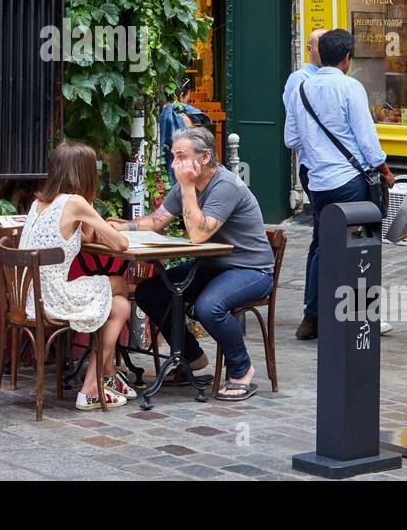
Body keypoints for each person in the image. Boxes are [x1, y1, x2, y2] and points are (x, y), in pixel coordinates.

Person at [112, 126, 274, 402]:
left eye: (181, 157)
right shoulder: (185, 186)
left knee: (210, 307)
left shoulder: (225, 186)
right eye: (174, 157)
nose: (175, 164)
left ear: (205, 158)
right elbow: (157, 221)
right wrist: (121, 228)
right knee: (149, 292)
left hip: (250, 269)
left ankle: (241, 369)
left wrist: (186, 186)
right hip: (210, 267)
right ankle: (192, 357)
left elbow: (198, 234)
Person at [289, 29, 394, 341]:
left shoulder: (302, 90)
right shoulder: (350, 88)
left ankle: (313, 315)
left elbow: (291, 139)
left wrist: (318, 152)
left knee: (321, 245)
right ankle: (361, 317)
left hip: (318, 183)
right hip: (351, 182)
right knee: (361, 247)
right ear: (347, 57)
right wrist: (386, 172)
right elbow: (368, 142)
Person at [19, 141, 136, 409]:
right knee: (119, 286)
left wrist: (92, 219)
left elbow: (83, 235)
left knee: (118, 304)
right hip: (53, 298)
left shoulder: (39, 203)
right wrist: (98, 216)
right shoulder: (75, 202)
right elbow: (120, 245)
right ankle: (93, 385)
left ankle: (104, 376)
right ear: (84, 173)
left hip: (29, 297)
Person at [283, 28, 326, 200]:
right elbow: (297, 125)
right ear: (309, 49)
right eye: (322, 46)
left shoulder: (337, 78)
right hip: (313, 164)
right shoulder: (298, 79)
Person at [158, 79, 209, 187]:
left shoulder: (160, 113)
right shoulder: (182, 117)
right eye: (187, 98)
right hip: (181, 174)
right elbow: (194, 147)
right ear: (181, 96)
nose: (187, 102)